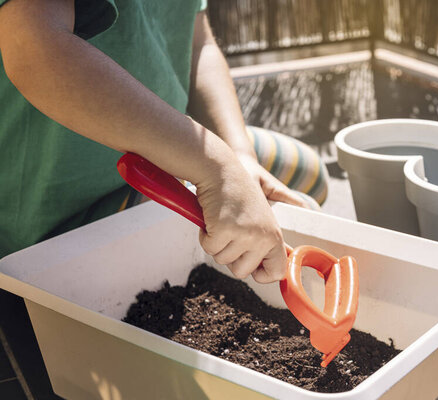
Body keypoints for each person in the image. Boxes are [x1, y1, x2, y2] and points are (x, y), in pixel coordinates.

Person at [0, 0, 328, 397]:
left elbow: (199, 43)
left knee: (309, 175)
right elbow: (35, 49)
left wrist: (238, 156)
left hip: (174, 145)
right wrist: (216, 170)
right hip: (62, 203)